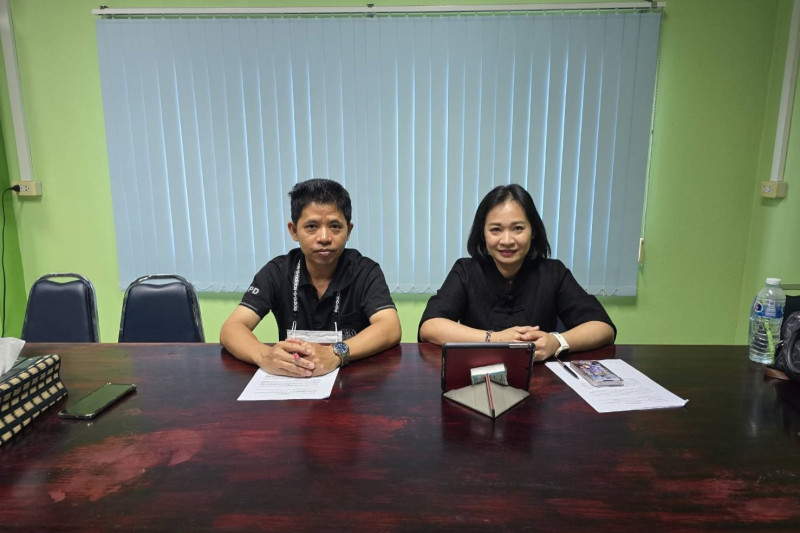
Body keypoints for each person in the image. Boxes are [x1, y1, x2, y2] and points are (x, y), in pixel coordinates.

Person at [221, 178, 402, 377]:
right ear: (294, 231)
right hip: (293, 378)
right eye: (311, 226)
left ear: (348, 231)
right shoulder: (277, 271)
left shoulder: (365, 271)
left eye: (335, 226)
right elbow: (232, 328)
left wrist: (336, 353)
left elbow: (390, 327)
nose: (324, 238)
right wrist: (265, 355)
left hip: (352, 379)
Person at [418, 183, 615, 361]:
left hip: (540, 378)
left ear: (533, 231)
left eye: (518, 228)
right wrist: (494, 339)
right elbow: (430, 326)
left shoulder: (553, 272)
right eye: (496, 229)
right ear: (483, 233)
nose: (507, 241)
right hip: (478, 373)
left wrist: (557, 342)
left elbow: (603, 327)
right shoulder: (466, 270)